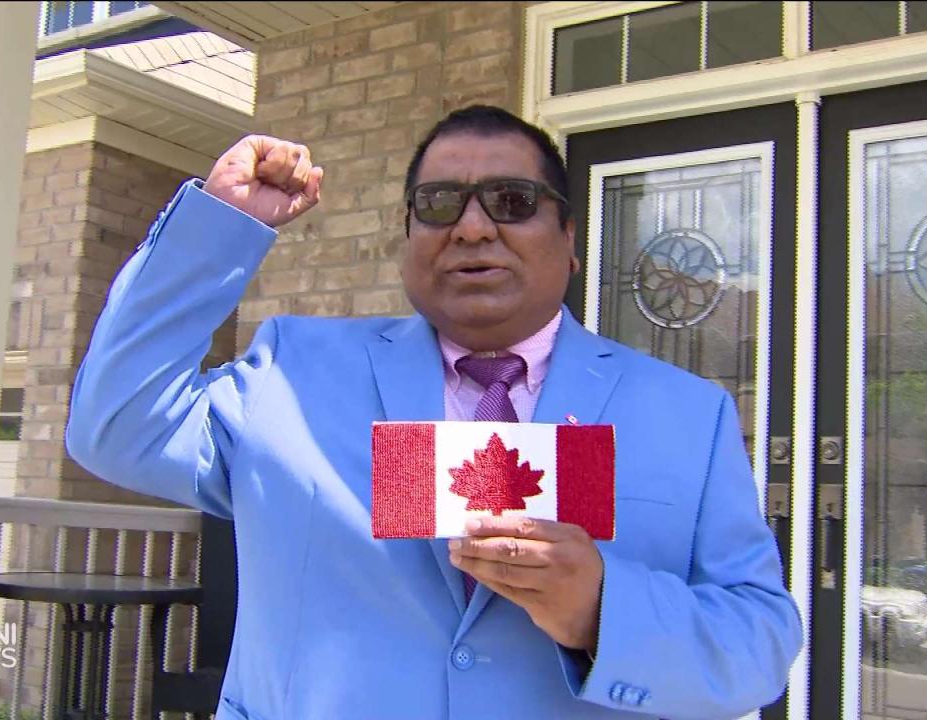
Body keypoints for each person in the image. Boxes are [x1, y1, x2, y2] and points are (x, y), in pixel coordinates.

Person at [66, 105, 802, 719]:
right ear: (408, 239)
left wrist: (601, 609)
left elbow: (760, 644)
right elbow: (116, 425)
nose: (474, 228)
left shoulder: (688, 415)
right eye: (440, 204)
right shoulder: (294, 370)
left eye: (513, 202)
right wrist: (217, 230)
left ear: (570, 240)